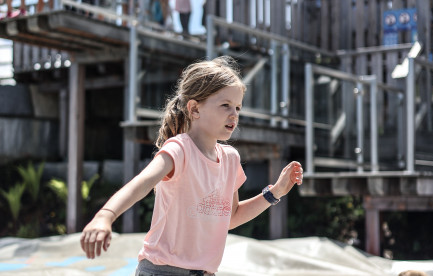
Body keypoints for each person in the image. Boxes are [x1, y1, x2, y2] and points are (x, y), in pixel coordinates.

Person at [80, 56, 303, 275]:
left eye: (237, 108)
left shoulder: (231, 158)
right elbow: (142, 183)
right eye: (225, 105)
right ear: (195, 109)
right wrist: (105, 216)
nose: (233, 114)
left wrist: (275, 192)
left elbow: (231, 217)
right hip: (161, 271)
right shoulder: (179, 149)